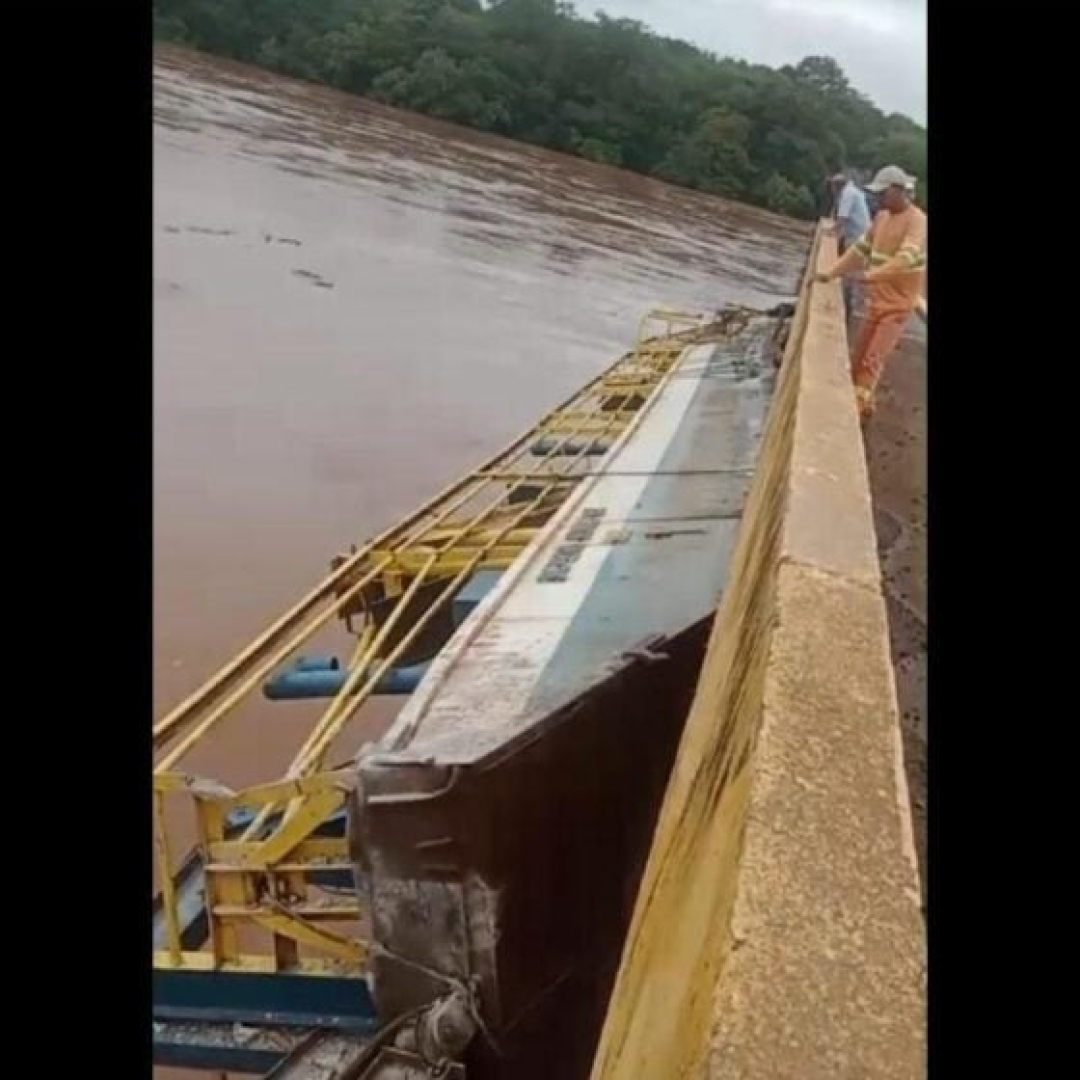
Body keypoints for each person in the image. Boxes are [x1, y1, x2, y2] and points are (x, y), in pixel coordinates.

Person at [816, 164, 926, 422]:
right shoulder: (881, 218)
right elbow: (859, 251)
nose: (878, 198)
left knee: (872, 361)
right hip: (877, 303)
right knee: (858, 357)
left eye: (883, 193)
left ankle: (855, 414)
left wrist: (867, 276)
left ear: (899, 191)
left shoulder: (918, 222)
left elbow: (902, 262)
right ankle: (863, 406)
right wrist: (831, 273)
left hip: (897, 308)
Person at [827, 172, 871, 319]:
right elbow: (837, 214)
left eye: (832, 186)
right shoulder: (852, 191)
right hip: (861, 236)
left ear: (837, 186)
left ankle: (847, 309)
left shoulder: (847, 194)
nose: (831, 189)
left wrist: (831, 232)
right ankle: (849, 305)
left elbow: (842, 219)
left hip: (857, 238)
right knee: (850, 271)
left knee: (850, 272)